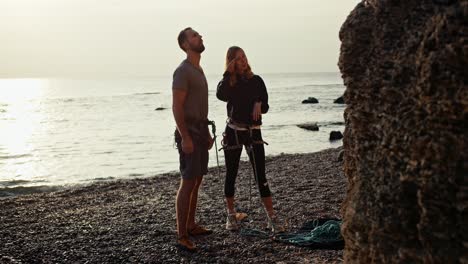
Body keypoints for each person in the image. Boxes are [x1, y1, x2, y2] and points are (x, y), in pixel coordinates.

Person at [216, 46, 283, 232]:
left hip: (254, 132)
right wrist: (227, 73)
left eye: (244, 56)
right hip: (233, 131)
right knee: (231, 174)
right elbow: (221, 95)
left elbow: (266, 106)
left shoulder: (257, 81)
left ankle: (272, 217)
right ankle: (231, 216)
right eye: (238, 58)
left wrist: (259, 103)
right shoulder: (229, 83)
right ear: (231, 62)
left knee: (260, 175)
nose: (243, 60)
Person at [172, 27, 214, 251]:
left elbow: (200, 106)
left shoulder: (198, 69)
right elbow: (176, 106)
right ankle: (181, 235)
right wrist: (185, 137)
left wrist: (206, 133)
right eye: (195, 36)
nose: (200, 37)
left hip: (200, 131)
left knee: (197, 180)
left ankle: (191, 224)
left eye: (199, 34)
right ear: (185, 45)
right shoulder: (183, 71)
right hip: (188, 133)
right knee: (187, 182)